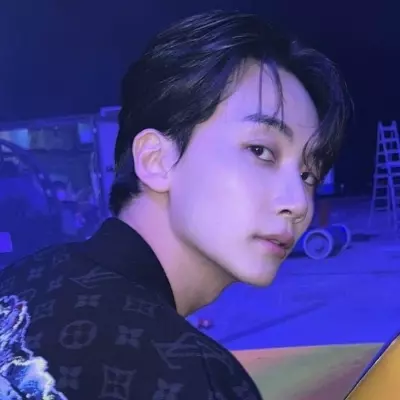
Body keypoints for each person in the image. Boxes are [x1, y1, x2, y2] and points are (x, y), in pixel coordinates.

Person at [0, 10, 351, 399]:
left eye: (308, 175)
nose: (298, 203)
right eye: (260, 150)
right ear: (156, 160)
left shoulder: (25, 278)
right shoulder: (190, 375)